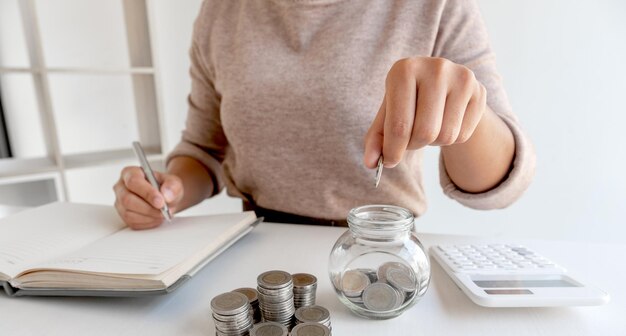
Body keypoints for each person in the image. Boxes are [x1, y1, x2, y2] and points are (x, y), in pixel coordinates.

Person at [114, 0, 535, 230]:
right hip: (256, 247)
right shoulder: (221, 12)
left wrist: (467, 114)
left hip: (380, 250)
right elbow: (203, 149)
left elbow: (501, 185)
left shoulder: (435, 7)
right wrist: (167, 192)